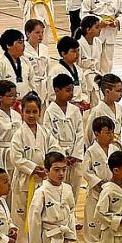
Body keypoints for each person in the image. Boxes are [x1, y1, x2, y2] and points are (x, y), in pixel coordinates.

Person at [10, 93, 60, 243]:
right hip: (24, 180)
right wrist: (33, 168)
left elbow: (54, 148)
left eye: (34, 112)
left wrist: (48, 166)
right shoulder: (18, 134)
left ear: (40, 112)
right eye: (28, 112)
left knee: (38, 212)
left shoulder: (44, 132)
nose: (31, 115)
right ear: (22, 112)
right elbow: (16, 158)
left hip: (42, 179)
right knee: (21, 213)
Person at [44, 74, 84, 204]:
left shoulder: (75, 110)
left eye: (72, 90)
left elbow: (80, 133)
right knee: (59, 190)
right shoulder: (50, 111)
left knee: (74, 190)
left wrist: (75, 154)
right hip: (59, 156)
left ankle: (72, 215)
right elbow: (50, 136)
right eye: (67, 90)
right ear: (57, 90)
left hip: (75, 157)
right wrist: (62, 156)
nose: (71, 94)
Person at [83, 116, 121, 243]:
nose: (111, 136)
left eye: (112, 132)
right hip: (96, 189)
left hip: (111, 188)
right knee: (93, 217)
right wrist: (98, 182)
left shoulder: (114, 149)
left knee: (109, 215)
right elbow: (86, 171)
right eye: (107, 133)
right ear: (96, 133)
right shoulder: (91, 151)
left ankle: (107, 242)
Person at [80, 0, 122, 73]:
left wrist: (117, 21)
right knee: (94, 60)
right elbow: (84, 12)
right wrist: (99, 21)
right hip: (96, 32)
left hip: (110, 32)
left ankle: (106, 80)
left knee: (108, 62)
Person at [0, 29, 36, 108]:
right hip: (6, 107)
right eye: (20, 42)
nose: (23, 45)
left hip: (25, 106)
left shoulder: (26, 62)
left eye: (23, 42)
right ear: (8, 45)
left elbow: (33, 85)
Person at [48, 36, 96, 111]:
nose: (77, 54)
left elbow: (84, 90)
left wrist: (83, 101)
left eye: (78, 50)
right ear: (63, 53)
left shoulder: (79, 70)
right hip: (63, 109)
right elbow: (52, 95)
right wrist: (70, 105)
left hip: (79, 108)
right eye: (73, 51)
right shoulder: (56, 71)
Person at [86, 74, 122, 147]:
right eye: (118, 91)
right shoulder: (97, 111)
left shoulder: (120, 109)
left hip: (117, 148)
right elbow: (89, 136)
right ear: (107, 92)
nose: (121, 94)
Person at [24, 19, 50, 103]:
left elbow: (48, 70)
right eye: (37, 32)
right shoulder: (23, 50)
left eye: (42, 32)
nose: (41, 36)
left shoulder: (44, 49)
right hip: (30, 86)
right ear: (28, 33)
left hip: (43, 86)